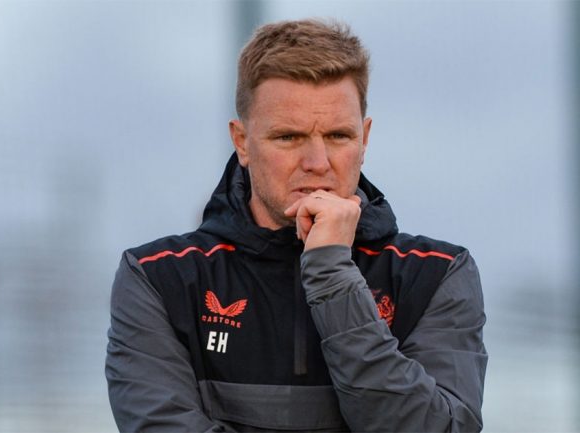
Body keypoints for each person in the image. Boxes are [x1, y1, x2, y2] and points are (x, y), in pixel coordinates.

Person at [106, 18, 487, 432]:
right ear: (242, 142)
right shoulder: (158, 278)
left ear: (365, 138)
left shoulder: (435, 273)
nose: (318, 163)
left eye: (339, 136)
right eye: (289, 137)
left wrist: (331, 273)